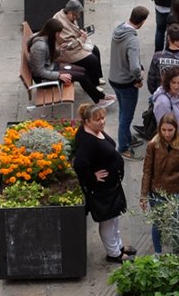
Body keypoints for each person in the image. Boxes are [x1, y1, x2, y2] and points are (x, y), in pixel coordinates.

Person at [72, 103, 136, 263]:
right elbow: (79, 164)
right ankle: (114, 253)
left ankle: (119, 246)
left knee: (115, 218)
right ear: (87, 121)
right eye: (97, 119)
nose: (102, 122)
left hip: (111, 186)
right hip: (102, 190)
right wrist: (93, 177)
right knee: (108, 221)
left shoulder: (94, 132)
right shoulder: (87, 140)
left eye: (102, 118)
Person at [29, 18, 115, 107]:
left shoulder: (45, 39)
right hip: (45, 78)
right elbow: (39, 71)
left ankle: (101, 96)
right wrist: (59, 76)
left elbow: (48, 57)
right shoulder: (39, 47)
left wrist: (60, 50)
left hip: (52, 68)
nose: (59, 35)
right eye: (59, 33)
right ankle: (100, 100)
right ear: (54, 33)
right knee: (81, 76)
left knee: (83, 71)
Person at [140, 112, 179, 255]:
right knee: (158, 223)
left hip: (176, 190)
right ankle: (158, 253)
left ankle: (177, 254)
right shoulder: (153, 145)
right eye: (164, 130)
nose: (167, 133)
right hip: (157, 190)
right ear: (159, 129)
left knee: (176, 224)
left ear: (176, 129)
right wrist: (143, 195)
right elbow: (147, 171)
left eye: (170, 130)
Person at [109, 6, 150, 159]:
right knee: (126, 117)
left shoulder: (119, 29)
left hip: (114, 78)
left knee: (122, 112)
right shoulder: (132, 40)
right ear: (143, 21)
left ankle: (126, 138)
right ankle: (123, 147)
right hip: (127, 82)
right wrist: (139, 77)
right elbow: (134, 66)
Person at [53, 0, 105, 88]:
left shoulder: (67, 16)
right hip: (65, 52)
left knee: (95, 49)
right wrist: (82, 38)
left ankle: (96, 78)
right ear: (70, 12)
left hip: (74, 46)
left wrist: (80, 33)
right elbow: (68, 44)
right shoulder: (60, 23)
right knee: (92, 60)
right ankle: (93, 85)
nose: (77, 17)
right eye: (76, 15)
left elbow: (73, 31)